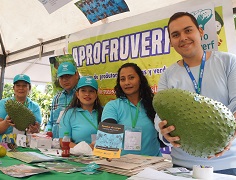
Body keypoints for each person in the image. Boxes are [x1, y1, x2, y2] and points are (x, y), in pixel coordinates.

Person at [155, 12, 236, 175]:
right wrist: (165, 133)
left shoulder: (228, 62)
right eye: (176, 35)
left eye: (188, 30)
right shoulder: (168, 75)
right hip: (182, 165)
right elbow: (160, 115)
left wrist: (230, 133)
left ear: (200, 31)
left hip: (226, 162)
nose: (183, 38)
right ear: (171, 42)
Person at [102, 62, 162, 156]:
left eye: (131, 77)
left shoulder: (154, 104)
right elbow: (108, 133)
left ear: (140, 80)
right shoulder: (113, 106)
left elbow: (164, 137)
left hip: (153, 163)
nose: (127, 82)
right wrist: (107, 150)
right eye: (122, 79)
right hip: (124, 166)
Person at [59, 76, 103, 149]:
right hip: (79, 157)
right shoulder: (69, 114)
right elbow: (63, 142)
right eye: (83, 90)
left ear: (96, 95)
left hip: (103, 157)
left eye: (91, 91)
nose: (87, 94)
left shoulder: (106, 112)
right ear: (77, 94)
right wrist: (85, 149)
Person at [0, 74, 42, 139]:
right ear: (13, 88)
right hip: (4, 145)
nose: (21, 88)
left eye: (24, 86)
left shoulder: (35, 106)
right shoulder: (4, 103)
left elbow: (37, 130)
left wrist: (34, 129)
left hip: (25, 145)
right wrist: (6, 122)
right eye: (18, 85)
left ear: (29, 88)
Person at [45, 62, 80, 138]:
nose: (65, 80)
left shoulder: (82, 96)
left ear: (76, 75)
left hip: (74, 145)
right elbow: (51, 122)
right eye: (61, 77)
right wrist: (46, 132)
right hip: (55, 144)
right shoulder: (57, 98)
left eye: (68, 76)